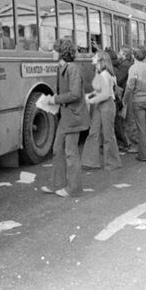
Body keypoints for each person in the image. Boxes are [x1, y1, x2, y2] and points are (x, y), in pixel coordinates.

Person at [42, 37, 90, 197]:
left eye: (54, 50)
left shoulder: (72, 69)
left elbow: (75, 94)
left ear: (62, 52)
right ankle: (58, 184)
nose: (52, 53)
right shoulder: (62, 68)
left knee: (70, 152)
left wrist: (54, 99)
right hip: (67, 116)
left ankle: (74, 188)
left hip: (74, 117)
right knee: (57, 149)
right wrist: (56, 98)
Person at [81, 51, 122, 170]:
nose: (92, 57)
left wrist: (90, 101)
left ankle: (111, 163)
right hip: (102, 104)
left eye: (95, 56)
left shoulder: (104, 74)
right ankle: (91, 161)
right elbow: (101, 89)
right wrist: (92, 94)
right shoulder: (102, 73)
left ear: (101, 60)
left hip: (106, 104)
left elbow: (105, 94)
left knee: (107, 134)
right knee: (94, 132)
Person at [123, 45, 146, 162]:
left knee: (141, 128)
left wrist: (124, 99)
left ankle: (144, 155)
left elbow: (130, 86)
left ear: (134, 55)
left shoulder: (133, 68)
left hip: (138, 100)